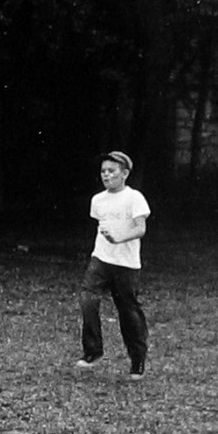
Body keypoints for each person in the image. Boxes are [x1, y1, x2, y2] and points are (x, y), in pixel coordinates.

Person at [77, 150, 151, 381]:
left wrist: (119, 238)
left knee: (128, 311)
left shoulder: (134, 198)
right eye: (103, 171)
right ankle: (93, 351)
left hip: (126, 264)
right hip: (100, 259)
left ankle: (137, 360)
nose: (106, 175)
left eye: (112, 171)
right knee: (87, 300)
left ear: (125, 174)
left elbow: (140, 228)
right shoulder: (98, 200)